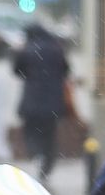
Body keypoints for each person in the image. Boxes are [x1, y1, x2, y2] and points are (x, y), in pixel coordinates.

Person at [12, 23, 68, 180]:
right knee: (49, 134)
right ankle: (46, 164)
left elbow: (17, 71)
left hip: (32, 99)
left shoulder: (27, 50)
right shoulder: (57, 49)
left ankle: (35, 154)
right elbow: (65, 71)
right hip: (53, 101)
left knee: (30, 130)